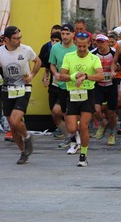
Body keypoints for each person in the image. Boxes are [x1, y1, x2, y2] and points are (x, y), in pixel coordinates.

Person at [0, 26, 41, 164]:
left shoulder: (26, 49)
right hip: (7, 89)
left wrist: (32, 75)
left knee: (16, 120)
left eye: (20, 37)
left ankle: (27, 137)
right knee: (12, 126)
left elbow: (38, 61)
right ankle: (23, 152)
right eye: (16, 38)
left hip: (23, 88)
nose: (19, 40)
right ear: (7, 39)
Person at [59, 32, 104, 166]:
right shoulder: (69, 56)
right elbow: (62, 75)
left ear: (89, 44)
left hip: (87, 94)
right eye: (79, 46)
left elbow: (101, 75)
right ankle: (76, 140)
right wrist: (74, 77)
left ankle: (83, 156)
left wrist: (85, 76)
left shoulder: (93, 58)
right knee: (72, 128)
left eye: (84, 46)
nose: (82, 49)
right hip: (72, 94)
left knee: (83, 126)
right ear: (75, 44)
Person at [49, 23, 78, 153]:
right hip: (61, 85)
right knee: (61, 112)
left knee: (73, 114)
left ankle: (75, 137)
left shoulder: (77, 48)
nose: (65, 36)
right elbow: (52, 64)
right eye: (63, 34)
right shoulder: (55, 48)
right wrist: (55, 74)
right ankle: (71, 137)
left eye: (67, 34)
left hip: (75, 86)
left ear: (73, 34)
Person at [91, 34, 118, 146]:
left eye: (103, 42)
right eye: (98, 42)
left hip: (111, 85)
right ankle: (103, 123)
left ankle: (111, 133)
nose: (100, 45)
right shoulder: (92, 53)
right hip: (98, 85)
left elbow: (118, 64)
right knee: (96, 109)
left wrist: (115, 71)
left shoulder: (114, 52)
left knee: (111, 112)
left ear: (107, 42)